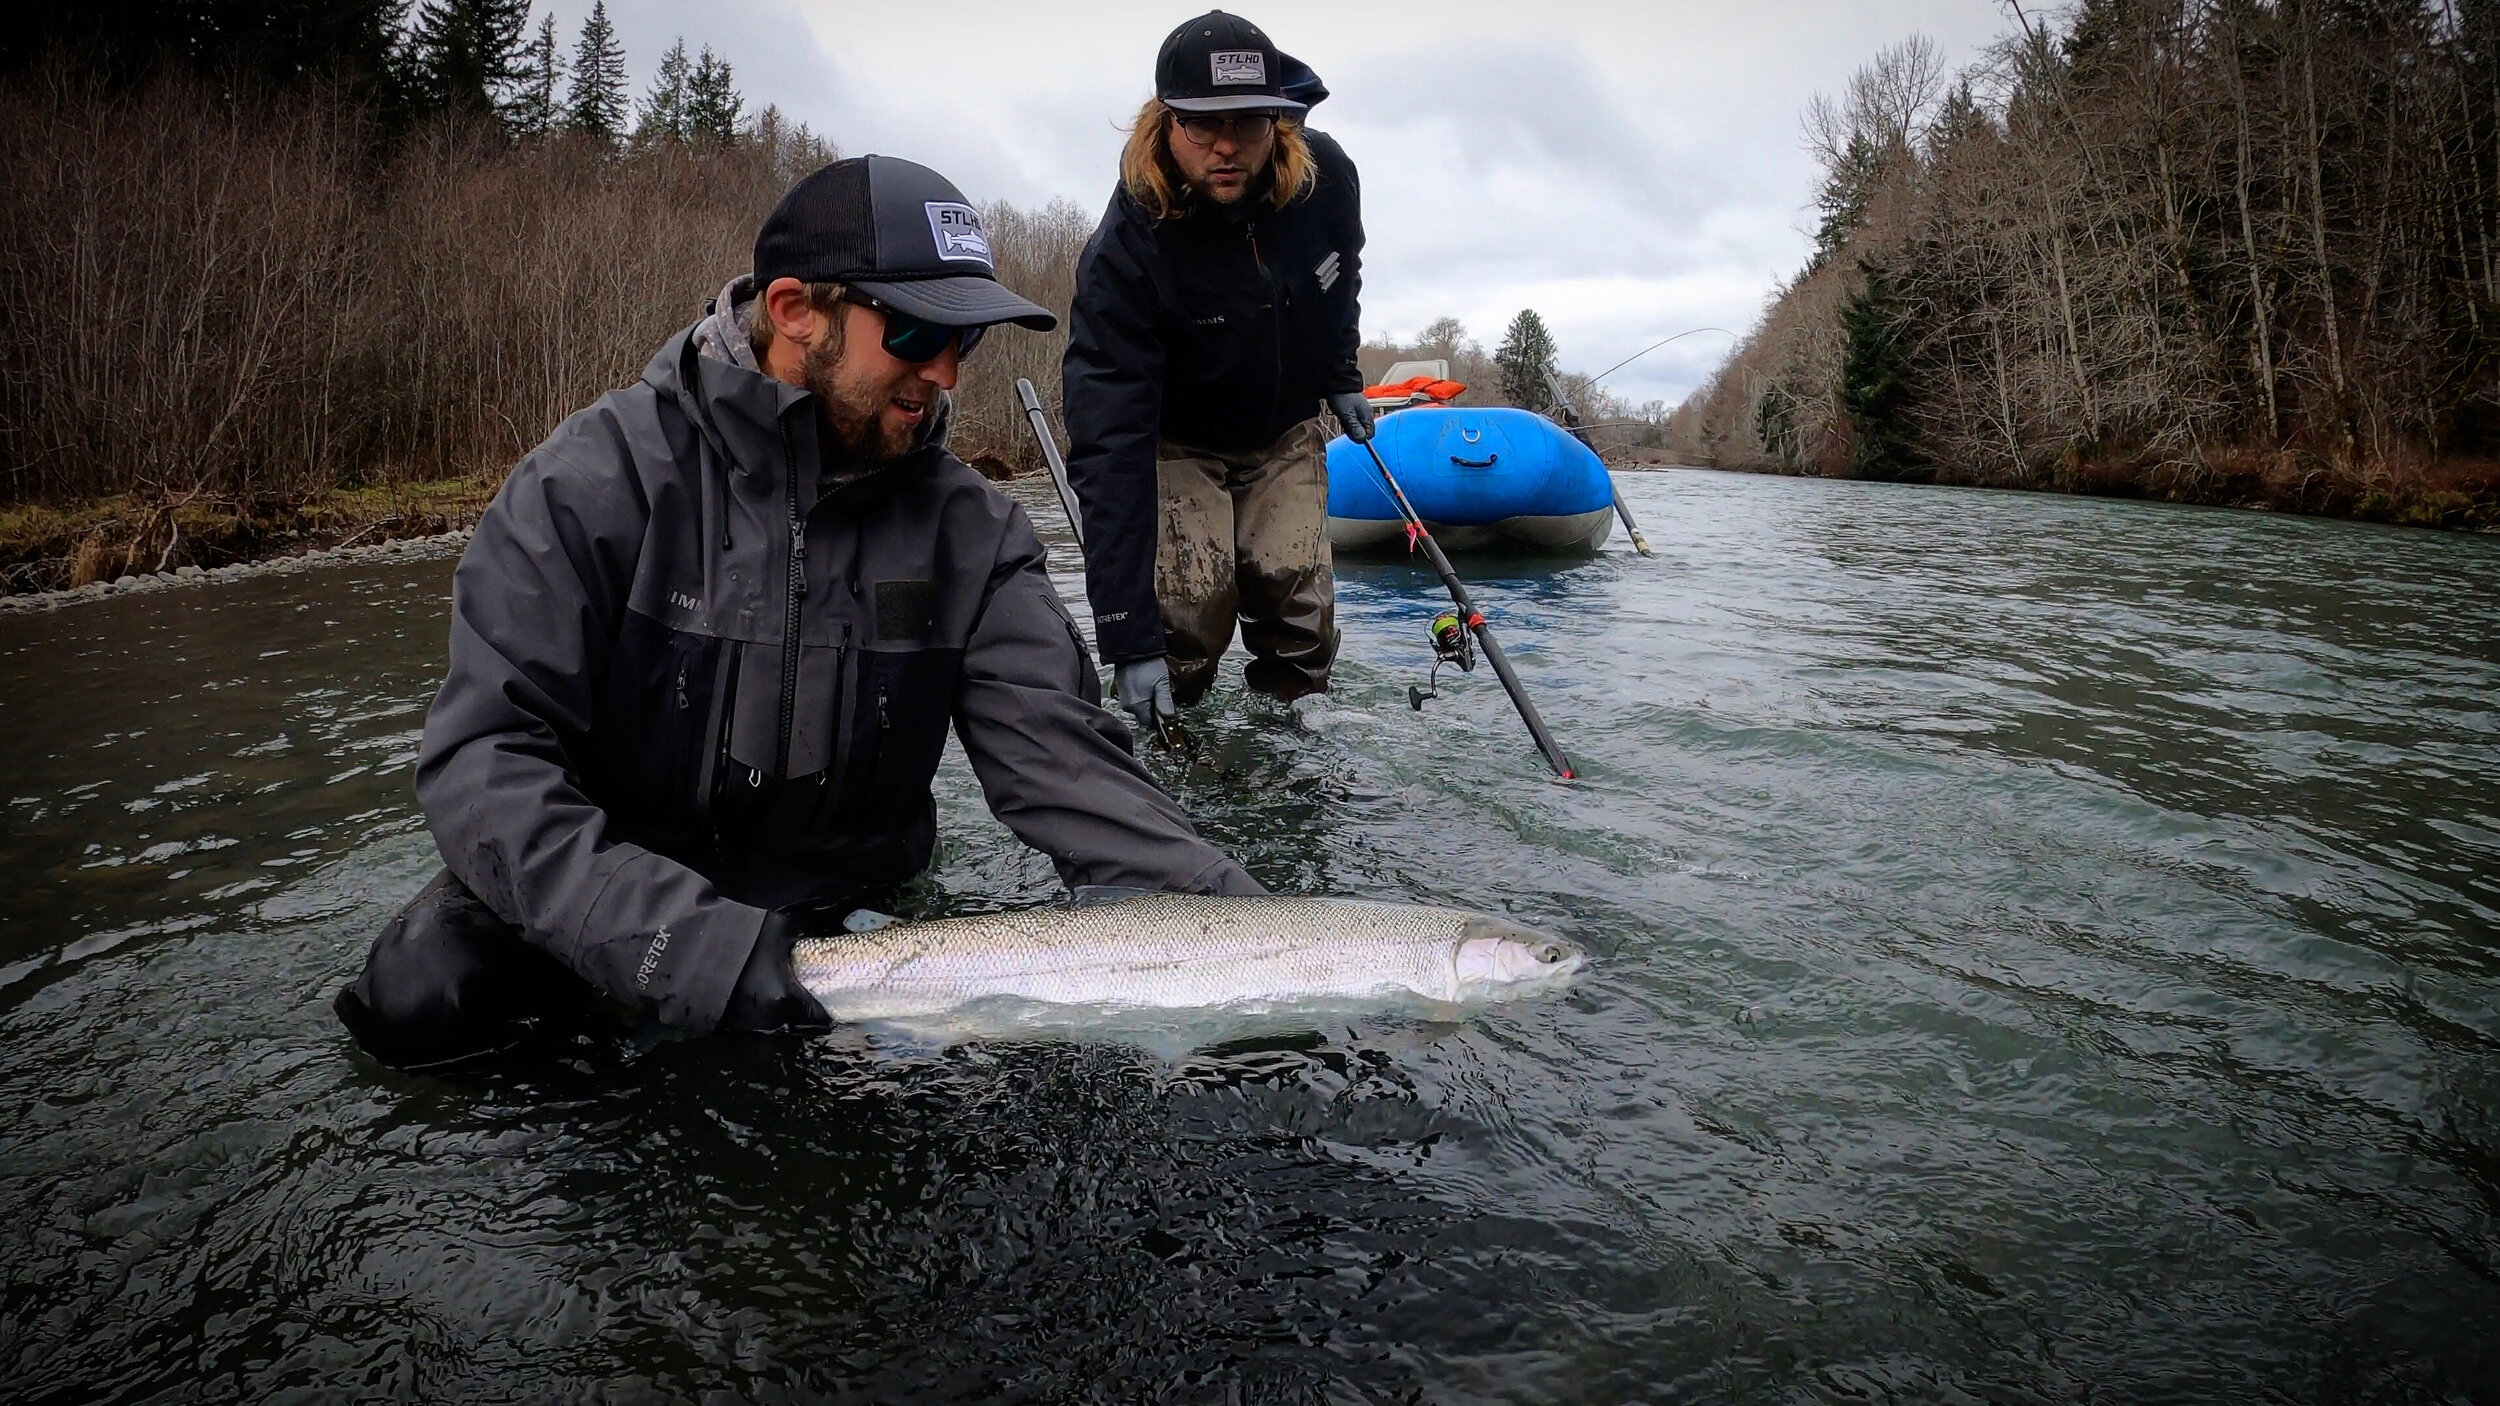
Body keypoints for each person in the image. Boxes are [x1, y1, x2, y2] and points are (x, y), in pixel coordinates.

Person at [335, 155, 1262, 1069]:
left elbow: (1071, 773)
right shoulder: (591, 483)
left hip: (838, 920)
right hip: (613, 893)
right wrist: (687, 948)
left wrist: (1260, 935)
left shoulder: (974, 533)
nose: (944, 374)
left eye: (965, 341)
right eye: (915, 332)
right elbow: (483, 760)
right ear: (795, 312)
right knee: (422, 996)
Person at [1061, 9, 1369, 736]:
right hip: (1174, 440)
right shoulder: (1124, 252)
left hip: (1284, 428)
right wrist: (1125, 636)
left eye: (1249, 123)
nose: (1227, 147)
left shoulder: (1328, 182)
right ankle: (1173, 742)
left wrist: (1343, 372)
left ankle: (1284, 752)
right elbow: (1109, 444)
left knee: (1302, 617)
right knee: (1188, 626)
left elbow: (1338, 275)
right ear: (1166, 123)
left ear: (1279, 122)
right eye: (1203, 126)